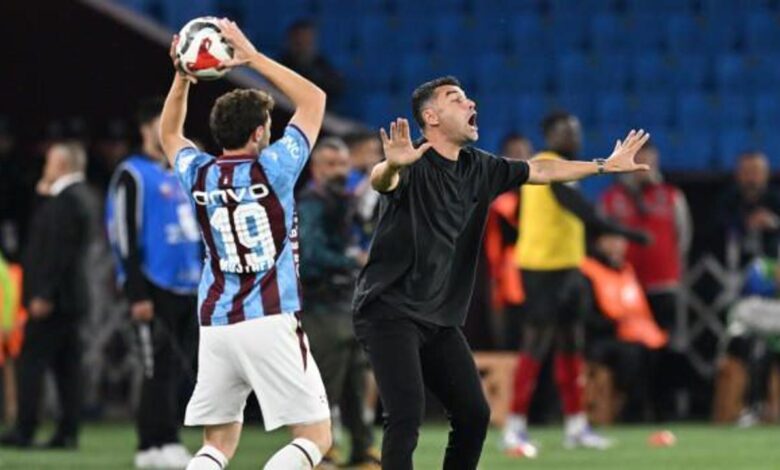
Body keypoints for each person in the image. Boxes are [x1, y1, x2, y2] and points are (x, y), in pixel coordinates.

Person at [351, 76, 650, 470]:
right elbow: (383, 180)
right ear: (431, 117)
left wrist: (603, 165)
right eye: (456, 99)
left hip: (438, 317)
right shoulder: (411, 162)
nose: (470, 103)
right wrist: (391, 163)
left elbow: (539, 169)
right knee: (406, 416)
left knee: (474, 415)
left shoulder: (480, 167)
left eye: (467, 97)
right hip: (388, 310)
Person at [160, 19, 331, 470]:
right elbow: (314, 100)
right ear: (258, 133)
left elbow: (170, 136)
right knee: (316, 436)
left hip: (216, 321)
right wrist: (252, 58)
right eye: (268, 125)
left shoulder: (199, 173)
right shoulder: (274, 168)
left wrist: (182, 76)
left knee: (217, 443)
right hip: (270, 316)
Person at [504, 111, 649, 458]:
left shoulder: (565, 169)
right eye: (566, 131)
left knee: (572, 344)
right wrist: (629, 233)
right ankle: (513, 426)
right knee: (536, 345)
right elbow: (581, 210)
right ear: (549, 136)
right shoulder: (545, 164)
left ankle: (575, 425)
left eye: (576, 130)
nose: (575, 136)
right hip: (542, 269)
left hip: (568, 267)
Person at [105, 98, 203, 468]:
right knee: (155, 366)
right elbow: (123, 236)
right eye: (163, 124)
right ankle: (155, 443)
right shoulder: (132, 174)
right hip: (152, 284)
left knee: (176, 367)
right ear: (147, 128)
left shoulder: (182, 170)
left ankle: (160, 443)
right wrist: (136, 292)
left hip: (188, 284)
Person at [0, 142, 95, 449]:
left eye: (49, 163)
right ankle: (68, 432)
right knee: (67, 367)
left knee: (31, 361)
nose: (45, 168)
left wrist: (43, 293)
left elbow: (57, 252)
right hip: (71, 298)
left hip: (54, 301)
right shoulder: (82, 196)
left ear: (62, 165)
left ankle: (24, 429)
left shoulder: (66, 201)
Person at [298, 138, 379, 469]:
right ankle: (319, 452)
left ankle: (362, 450)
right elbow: (310, 254)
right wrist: (353, 260)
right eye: (330, 164)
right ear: (315, 168)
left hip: (347, 302)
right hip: (320, 304)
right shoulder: (310, 203)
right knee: (325, 384)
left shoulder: (343, 202)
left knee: (355, 383)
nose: (338, 171)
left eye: (343, 164)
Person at [600, 142, 692, 335]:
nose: (642, 164)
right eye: (638, 159)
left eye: (647, 159)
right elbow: (602, 237)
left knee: (665, 337)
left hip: (663, 281)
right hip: (624, 284)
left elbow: (683, 236)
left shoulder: (672, 196)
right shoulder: (611, 198)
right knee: (628, 337)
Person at [581, 231, 667, 422]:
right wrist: (617, 325)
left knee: (666, 354)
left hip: (634, 336)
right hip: (600, 337)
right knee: (631, 355)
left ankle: (657, 411)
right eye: (611, 240)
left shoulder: (626, 271)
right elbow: (586, 316)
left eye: (620, 241)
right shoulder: (588, 271)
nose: (617, 246)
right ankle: (628, 411)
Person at [483, 134, 534, 349]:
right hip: (510, 277)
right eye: (514, 153)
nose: (520, 158)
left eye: (523, 153)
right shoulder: (499, 202)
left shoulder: (542, 195)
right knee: (514, 337)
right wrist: (495, 278)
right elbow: (493, 246)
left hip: (542, 274)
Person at [718, 152, 780, 260]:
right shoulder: (727, 199)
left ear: (766, 174)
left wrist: (773, 222)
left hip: (773, 262)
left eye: (756, 172)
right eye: (746, 172)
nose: (751, 179)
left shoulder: (776, 198)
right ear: (737, 175)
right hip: (733, 262)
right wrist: (746, 222)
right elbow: (715, 228)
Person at [279, 19, 344, 108]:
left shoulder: (325, 69)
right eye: (298, 42)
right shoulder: (278, 67)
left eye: (307, 41)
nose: (303, 47)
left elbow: (335, 90)